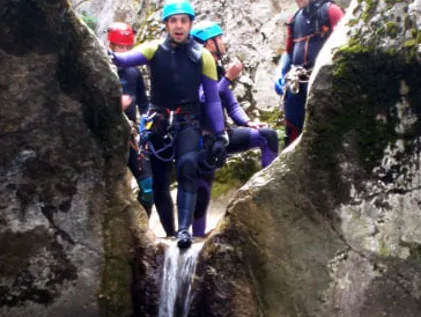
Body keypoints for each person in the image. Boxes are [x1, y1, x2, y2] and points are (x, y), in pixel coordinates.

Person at [111, 0, 228, 249]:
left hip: (188, 119)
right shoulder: (154, 50)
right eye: (173, 21)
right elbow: (124, 60)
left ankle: (184, 230)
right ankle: (170, 232)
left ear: (190, 25)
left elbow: (213, 99)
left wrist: (220, 134)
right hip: (159, 119)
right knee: (160, 181)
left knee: (187, 168)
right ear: (166, 25)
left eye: (183, 21)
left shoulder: (203, 57)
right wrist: (106, 54)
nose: (178, 26)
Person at [190, 21, 280, 237]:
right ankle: (196, 237)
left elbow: (231, 104)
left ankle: (269, 195)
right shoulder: (193, 70)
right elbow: (204, 99)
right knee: (202, 189)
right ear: (209, 43)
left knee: (267, 135)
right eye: (219, 38)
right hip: (202, 141)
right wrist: (228, 78)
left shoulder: (217, 68)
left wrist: (248, 122)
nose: (224, 42)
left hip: (224, 135)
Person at [273, 0, 344, 145]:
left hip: (324, 83)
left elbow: (345, 46)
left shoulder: (331, 11)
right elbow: (289, 52)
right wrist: (280, 73)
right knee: (292, 123)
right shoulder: (295, 20)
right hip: (299, 83)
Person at [108, 22, 153, 215]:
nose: (124, 51)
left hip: (131, 136)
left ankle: (143, 232)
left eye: (127, 47)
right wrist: (115, 106)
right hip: (107, 138)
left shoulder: (133, 72)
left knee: (148, 186)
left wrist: (149, 125)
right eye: (120, 47)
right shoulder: (100, 70)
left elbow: (144, 105)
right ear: (110, 46)